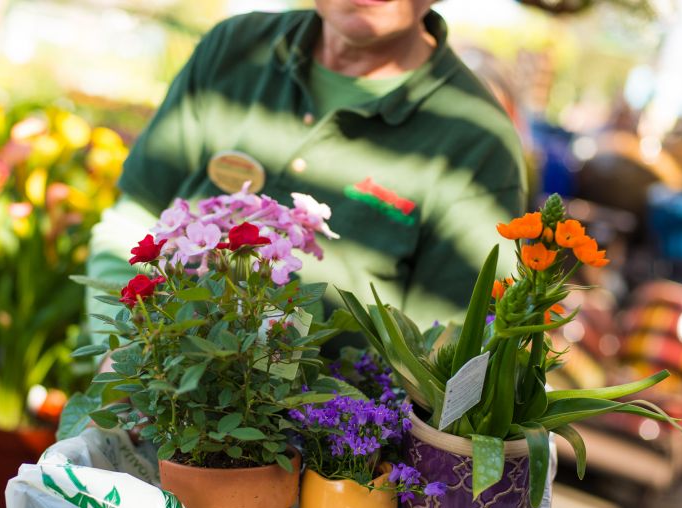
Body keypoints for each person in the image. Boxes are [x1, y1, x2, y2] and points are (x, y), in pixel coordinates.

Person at [87, 0, 527, 338]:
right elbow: (132, 223)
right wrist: (129, 348)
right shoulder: (234, 49)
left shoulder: (476, 140)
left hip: (321, 448)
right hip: (159, 400)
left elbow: (452, 352)